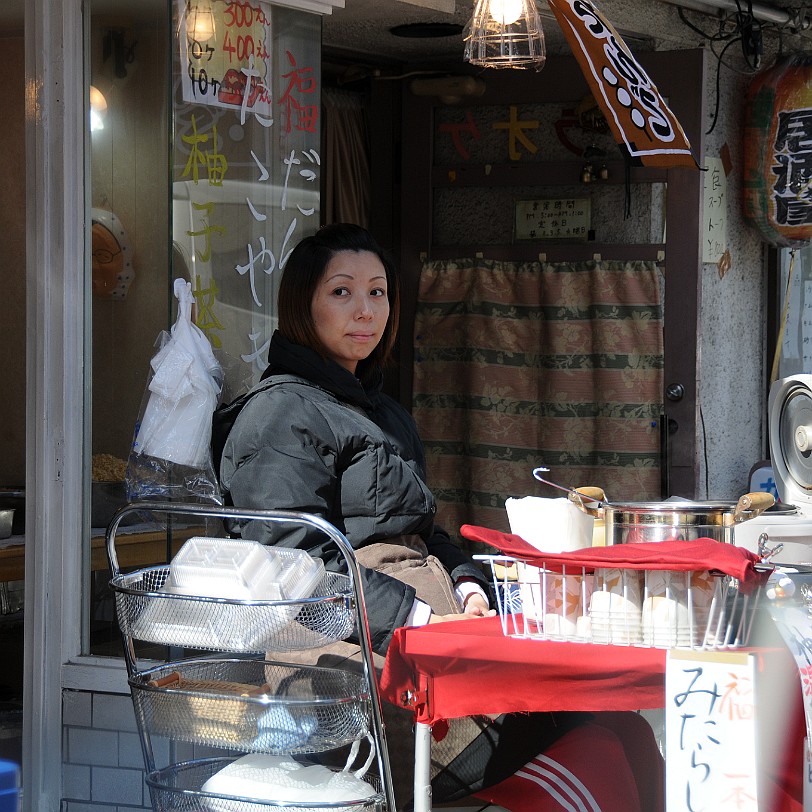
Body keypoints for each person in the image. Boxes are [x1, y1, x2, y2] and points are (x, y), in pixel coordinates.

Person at [220, 223, 663, 811]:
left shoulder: (381, 412)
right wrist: (419, 616)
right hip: (347, 682)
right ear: (302, 304)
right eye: (341, 292)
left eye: (378, 293)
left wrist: (466, 583)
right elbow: (293, 569)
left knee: (617, 722)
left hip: (433, 652)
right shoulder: (279, 415)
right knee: (586, 734)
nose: (365, 311)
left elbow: (425, 533)